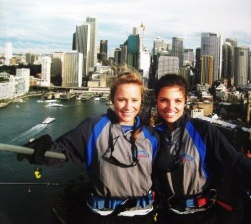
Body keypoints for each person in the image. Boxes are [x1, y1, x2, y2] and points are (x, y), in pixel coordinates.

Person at [18, 69, 160, 224]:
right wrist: (39, 150)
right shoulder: (94, 126)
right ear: (112, 98)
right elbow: (64, 150)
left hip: (142, 215)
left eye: (134, 100)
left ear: (141, 100)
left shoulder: (151, 135)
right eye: (122, 99)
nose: (128, 106)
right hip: (103, 215)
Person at [152, 74, 251, 224]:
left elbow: (235, 161)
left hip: (202, 215)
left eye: (177, 101)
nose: (171, 107)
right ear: (156, 101)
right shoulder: (152, 135)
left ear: (185, 102)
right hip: (167, 215)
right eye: (164, 100)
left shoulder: (203, 130)